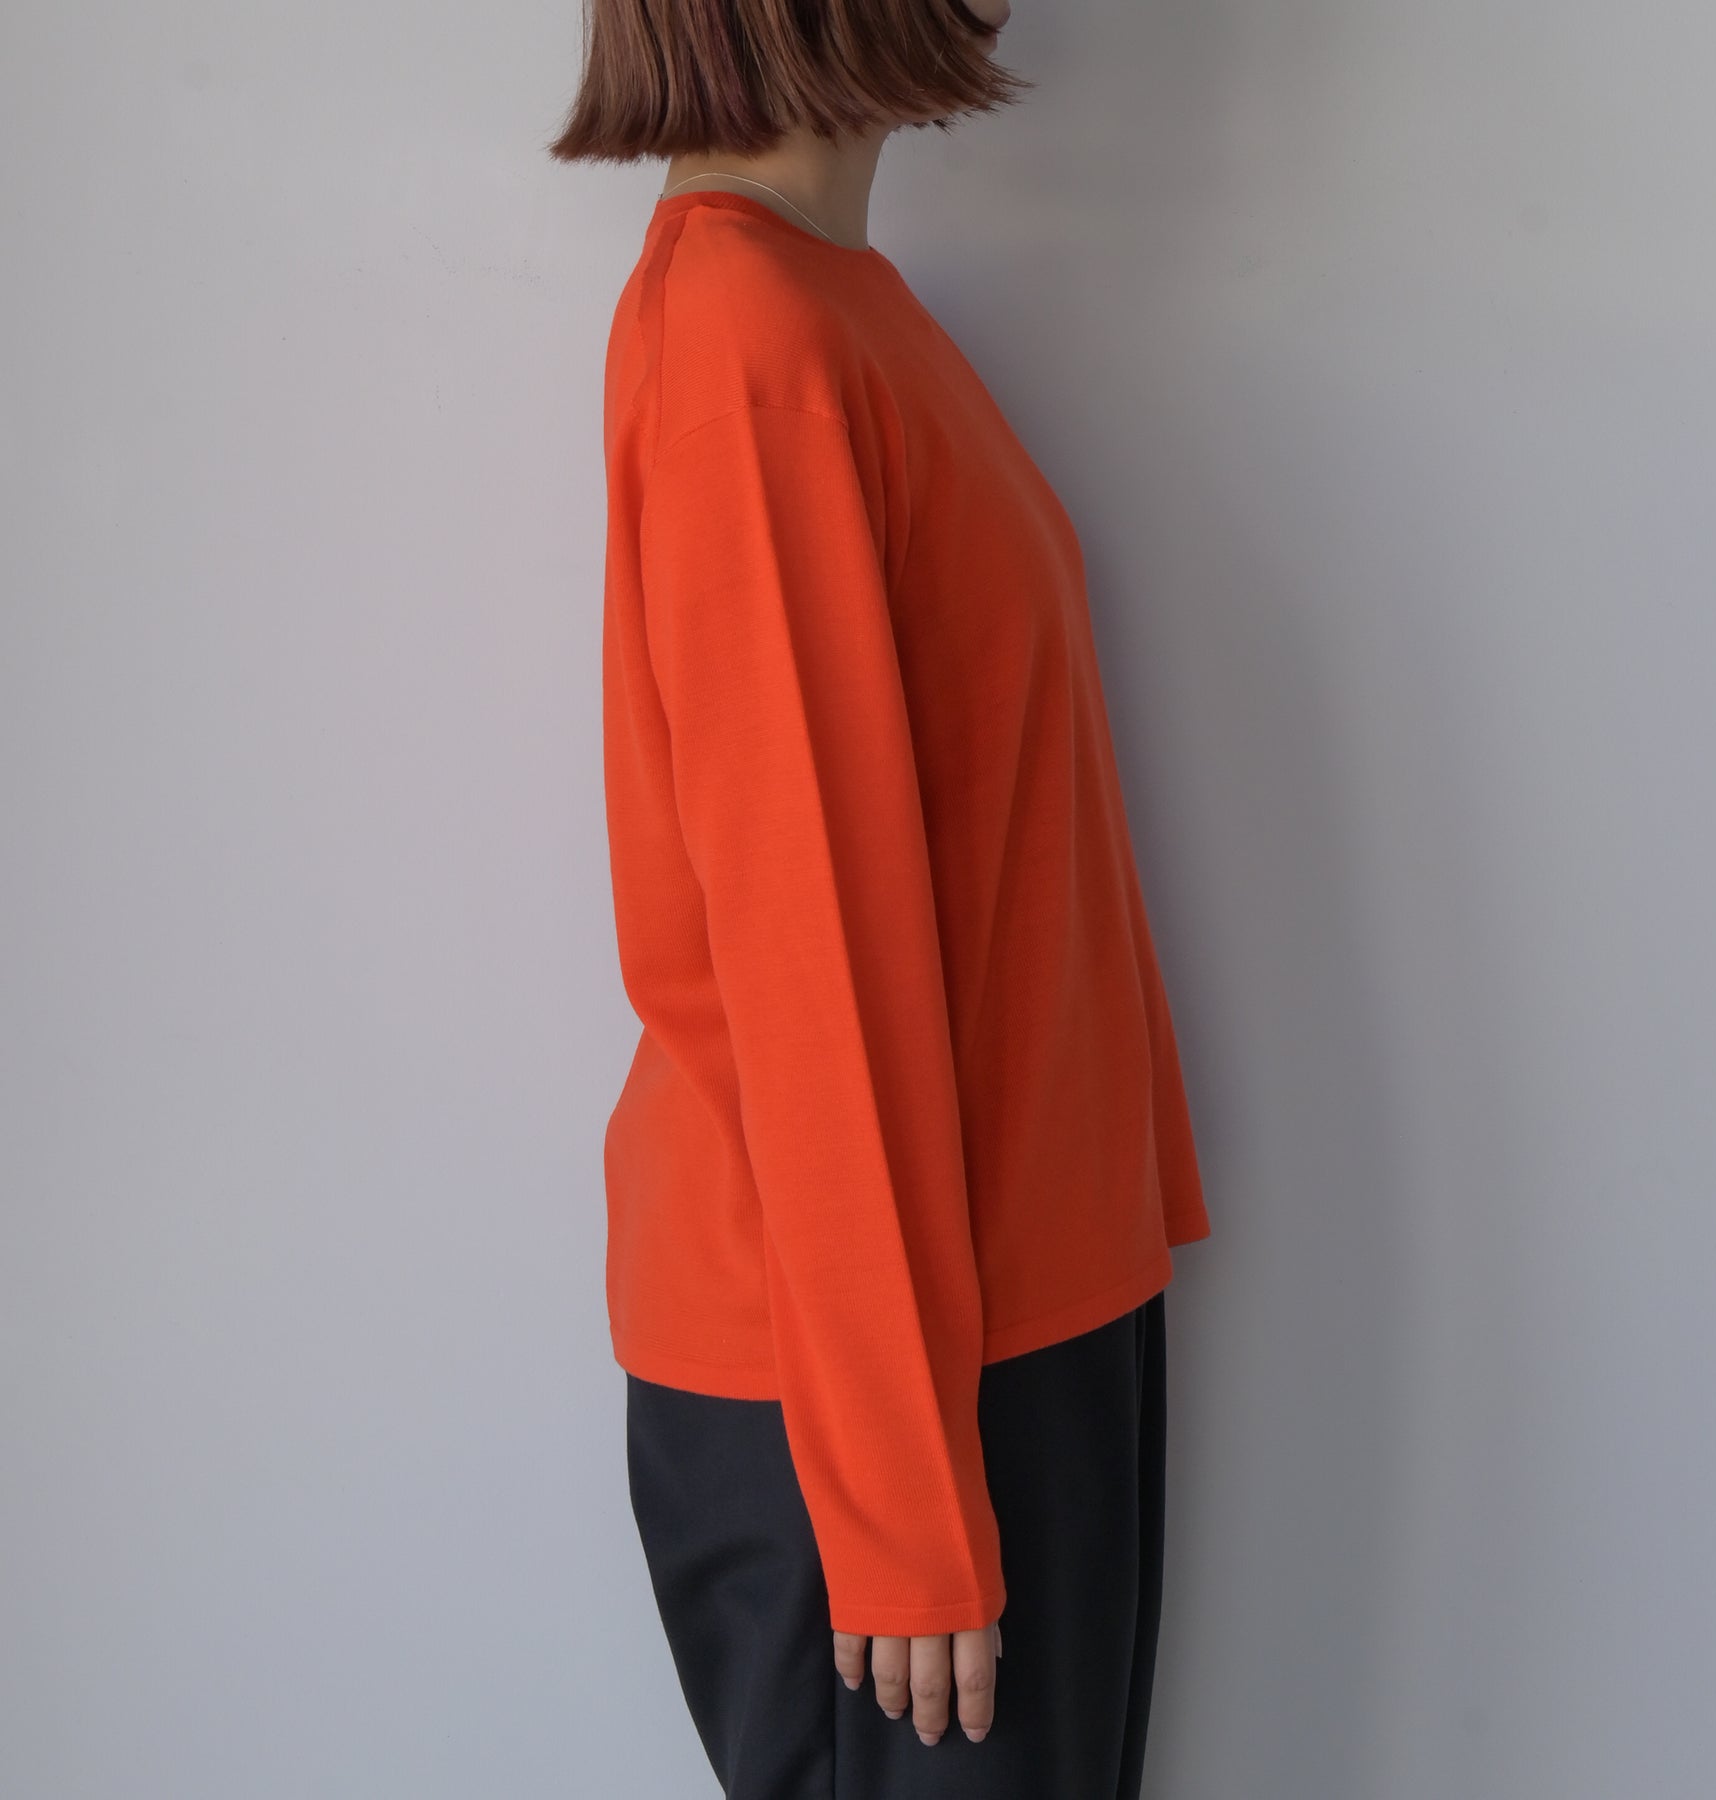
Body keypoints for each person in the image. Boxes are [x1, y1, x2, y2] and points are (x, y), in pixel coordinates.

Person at [548, 4, 1211, 1794]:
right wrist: (904, 1501)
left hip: (1005, 1321)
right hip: (888, 1385)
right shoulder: (747, 338)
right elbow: (806, 965)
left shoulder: (845, 308)